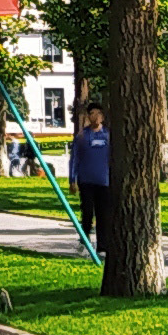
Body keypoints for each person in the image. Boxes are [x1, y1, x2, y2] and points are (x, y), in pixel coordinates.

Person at [71, 104, 112, 243]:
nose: (96, 117)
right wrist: (73, 179)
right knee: (87, 212)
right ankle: (85, 239)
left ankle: (103, 244)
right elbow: (75, 157)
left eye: (98, 113)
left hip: (104, 181)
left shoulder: (107, 135)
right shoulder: (83, 135)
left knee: (103, 214)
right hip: (86, 180)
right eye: (92, 113)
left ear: (102, 117)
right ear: (88, 116)